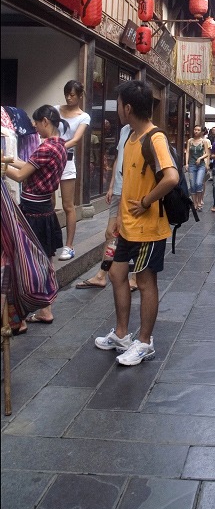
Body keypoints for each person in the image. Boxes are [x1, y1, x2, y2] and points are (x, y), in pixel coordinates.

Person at [94, 80, 178, 366]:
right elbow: (128, 182)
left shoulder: (154, 138)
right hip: (127, 226)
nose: (117, 109)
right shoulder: (130, 136)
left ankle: (144, 342)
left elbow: (171, 177)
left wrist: (145, 202)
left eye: (119, 104)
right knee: (117, 275)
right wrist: (117, 217)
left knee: (144, 281)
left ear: (128, 108)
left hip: (149, 229)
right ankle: (121, 334)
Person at [4, 105, 68, 326]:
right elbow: (30, 167)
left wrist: (2, 166)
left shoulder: (45, 148)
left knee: (27, 259)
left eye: (36, 123)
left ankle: (24, 312)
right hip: (45, 209)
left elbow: (20, 176)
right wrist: (7, 160)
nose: (35, 128)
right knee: (44, 258)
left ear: (45, 122)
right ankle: (45, 309)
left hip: (33, 210)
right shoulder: (59, 145)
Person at [76, 124, 137, 292]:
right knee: (110, 234)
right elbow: (119, 159)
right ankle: (101, 275)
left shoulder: (144, 132)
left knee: (131, 235)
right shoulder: (124, 129)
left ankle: (136, 277)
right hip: (118, 190)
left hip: (131, 193)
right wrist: (111, 186)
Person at [54, 80, 91, 260]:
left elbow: (76, 140)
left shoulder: (83, 116)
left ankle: (69, 246)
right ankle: (50, 241)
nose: (69, 98)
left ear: (80, 95)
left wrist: (55, 147)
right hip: (51, 159)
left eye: (72, 95)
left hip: (67, 160)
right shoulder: (55, 110)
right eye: (66, 94)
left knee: (68, 205)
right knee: (48, 203)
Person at [184, 125, 210, 212]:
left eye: (198, 130)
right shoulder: (190, 141)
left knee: (199, 183)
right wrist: (186, 163)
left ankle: (199, 202)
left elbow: (207, 153)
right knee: (192, 184)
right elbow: (187, 152)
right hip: (192, 165)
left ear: (201, 132)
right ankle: (194, 203)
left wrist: (200, 158)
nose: (196, 131)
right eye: (195, 129)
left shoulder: (204, 141)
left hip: (201, 165)